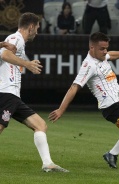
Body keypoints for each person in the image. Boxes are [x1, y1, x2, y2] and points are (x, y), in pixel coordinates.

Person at [48, 32, 119, 169]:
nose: (105, 51)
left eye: (106, 48)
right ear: (91, 48)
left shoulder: (102, 57)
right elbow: (73, 88)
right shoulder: (89, 65)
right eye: (102, 49)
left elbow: (111, 55)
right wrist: (61, 109)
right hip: (111, 106)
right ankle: (112, 154)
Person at [0, 12, 69, 172]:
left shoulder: (19, 44)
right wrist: (28, 64)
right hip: (6, 92)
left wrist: (28, 62)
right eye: (37, 28)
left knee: (40, 125)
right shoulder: (15, 38)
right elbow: (5, 54)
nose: (37, 32)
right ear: (31, 27)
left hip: (13, 96)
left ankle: (48, 164)